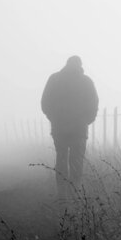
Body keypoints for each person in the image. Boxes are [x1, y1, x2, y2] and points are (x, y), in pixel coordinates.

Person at [41, 56, 99, 196]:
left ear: (66, 64)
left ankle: (62, 194)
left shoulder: (54, 79)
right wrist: (86, 121)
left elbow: (45, 103)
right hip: (79, 130)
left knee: (61, 159)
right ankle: (75, 194)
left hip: (59, 129)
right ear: (80, 66)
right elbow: (94, 104)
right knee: (77, 162)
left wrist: (54, 119)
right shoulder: (86, 82)